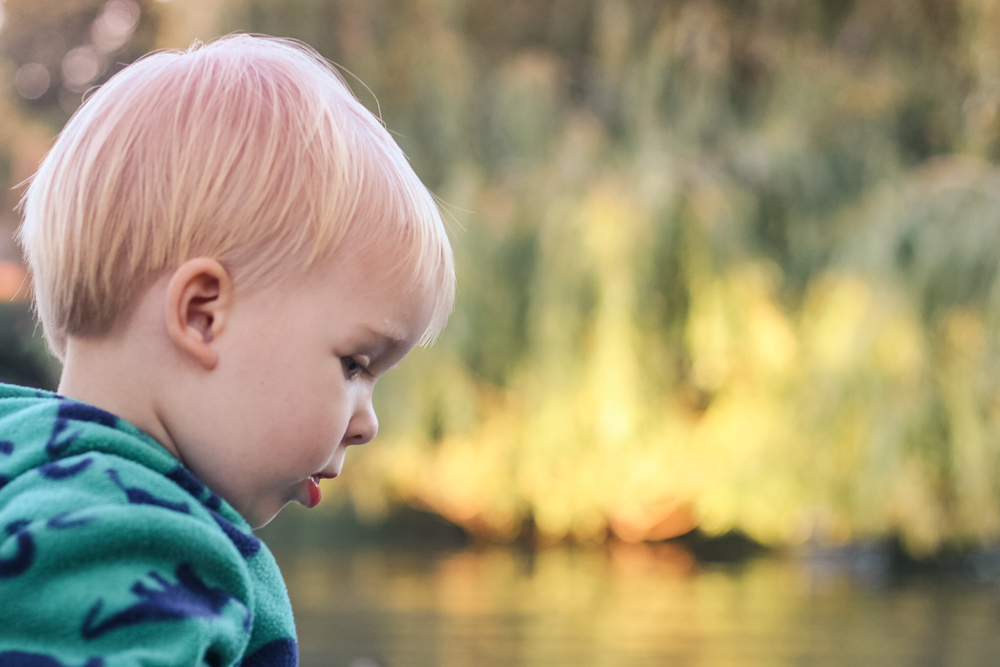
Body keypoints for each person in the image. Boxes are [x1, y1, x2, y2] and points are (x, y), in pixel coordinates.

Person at [0, 34, 454, 666]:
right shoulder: (131, 541)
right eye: (354, 364)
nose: (367, 424)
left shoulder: (23, 460)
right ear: (202, 316)